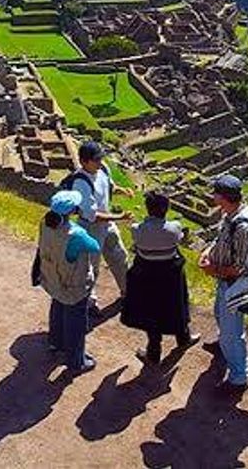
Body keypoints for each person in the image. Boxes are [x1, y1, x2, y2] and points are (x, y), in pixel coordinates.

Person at [121, 191, 200, 365]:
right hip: (170, 276)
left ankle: (153, 352)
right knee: (177, 306)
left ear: (148, 209)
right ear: (167, 209)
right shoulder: (174, 228)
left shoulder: (137, 230)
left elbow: (136, 243)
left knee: (151, 313)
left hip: (146, 276)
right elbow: (179, 240)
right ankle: (183, 338)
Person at [199, 175, 248, 394]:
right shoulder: (230, 215)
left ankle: (238, 378)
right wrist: (208, 252)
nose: (212, 196)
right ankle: (223, 348)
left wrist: (212, 270)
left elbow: (243, 266)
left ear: (223, 197)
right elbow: (220, 239)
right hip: (224, 282)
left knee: (232, 334)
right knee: (219, 314)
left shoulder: (243, 228)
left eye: (215, 193)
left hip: (234, 285)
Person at [36, 190, 102, 373]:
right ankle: (76, 361)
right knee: (76, 323)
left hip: (52, 278)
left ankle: (56, 343)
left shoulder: (45, 223)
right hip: (73, 284)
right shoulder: (76, 234)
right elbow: (95, 247)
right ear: (71, 211)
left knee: (57, 307)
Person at [69, 140, 132, 314]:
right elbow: (92, 215)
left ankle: (128, 293)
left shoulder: (102, 169)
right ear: (84, 162)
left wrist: (122, 190)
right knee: (91, 267)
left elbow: (110, 186)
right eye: (95, 160)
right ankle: (89, 303)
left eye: (99, 158)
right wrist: (119, 217)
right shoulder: (80, 182)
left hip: (107, 224)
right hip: (90, 228)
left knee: (120, 258)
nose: (99, 162)